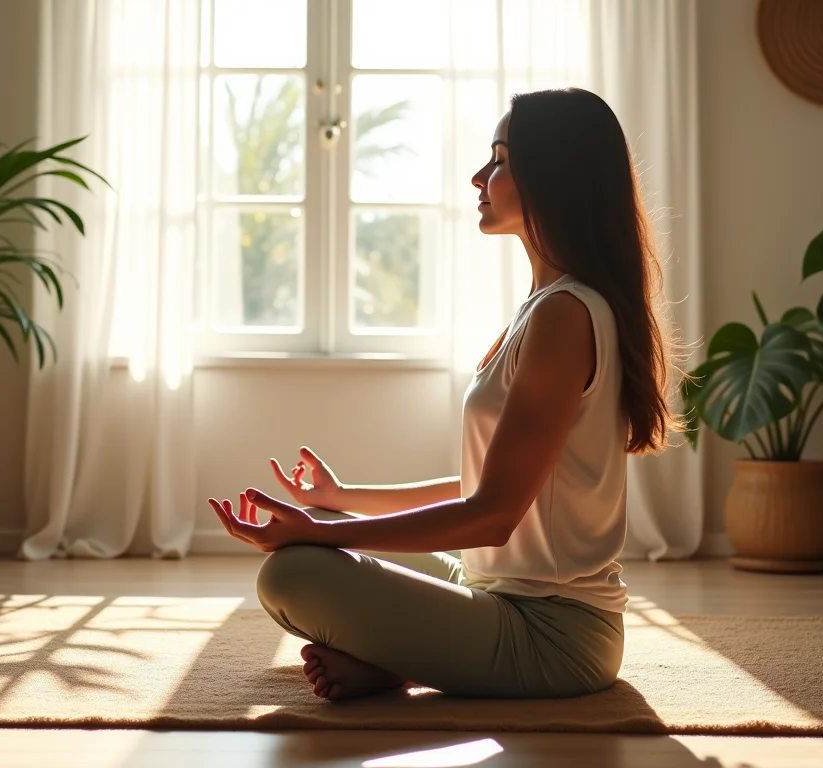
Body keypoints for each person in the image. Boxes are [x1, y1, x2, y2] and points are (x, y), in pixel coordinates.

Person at [207, 87, 680, 702]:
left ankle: (400, 661)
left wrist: (320, 537)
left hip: (553, 633)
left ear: (554, 176)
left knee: (294, 571)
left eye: (502, 160)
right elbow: (489, 486)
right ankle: (400, 661)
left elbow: (492, 514)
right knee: (320, 527)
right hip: (497, 590)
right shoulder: (546, 306)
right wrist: (340, 500)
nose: (480, 176)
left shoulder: (565, 315)